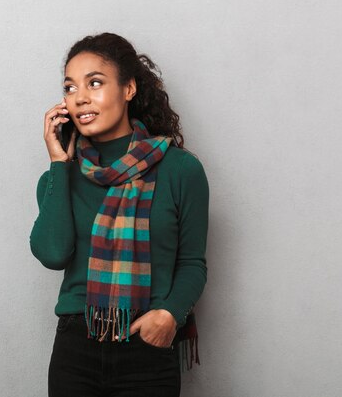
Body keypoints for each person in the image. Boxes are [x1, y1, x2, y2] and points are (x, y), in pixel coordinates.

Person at [29, 32, 209, 397]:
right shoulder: (58, 178)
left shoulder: (180, 170)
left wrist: (169, 317)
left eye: (94, 83)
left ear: (128, 89)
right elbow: (52, 254)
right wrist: (59, 164)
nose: (80, 98)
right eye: (70, 87)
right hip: (76, 347)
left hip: (147, 347)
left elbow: (192, 262)